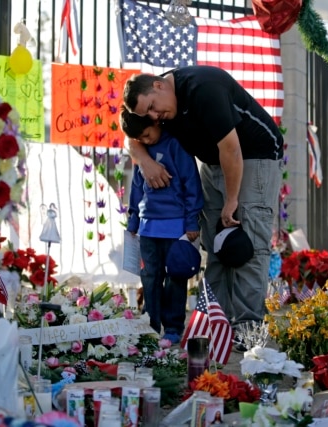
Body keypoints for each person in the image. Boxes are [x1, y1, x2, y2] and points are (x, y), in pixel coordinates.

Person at [123, 65, 283, 348]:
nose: (153, 117)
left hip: (253, 155)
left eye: (152, 108)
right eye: (146, 115)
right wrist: (144, 160)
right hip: (213, 162)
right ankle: (213, 326)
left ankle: (247, 333)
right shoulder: (159, 105)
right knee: (215, 244)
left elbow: (231, 148)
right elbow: (133, 135)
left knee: (246, 243)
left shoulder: (202, 87)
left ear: (159, 86)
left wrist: (232, 201)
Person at [121, 107, 203, 344]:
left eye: (148, 135)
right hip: (148, 229)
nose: (146, 141)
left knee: (176, 278)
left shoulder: (176, 145)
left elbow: (191, 184)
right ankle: (150, 325)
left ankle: (174, 328)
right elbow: (137, 189)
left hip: (176, 228)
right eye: (141, 139)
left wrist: (190, 221)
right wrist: (133, 221)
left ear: (156, 122)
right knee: (150, 277)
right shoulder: (142, 154)